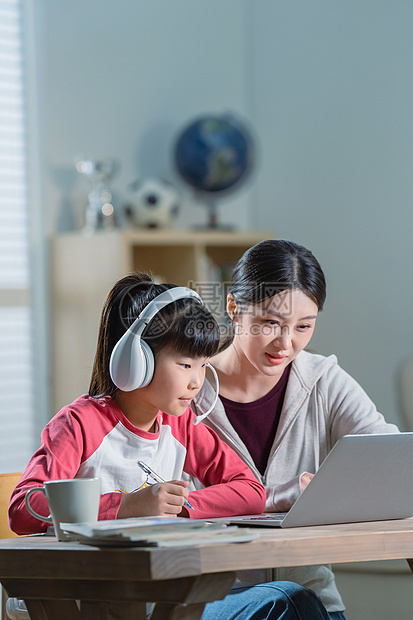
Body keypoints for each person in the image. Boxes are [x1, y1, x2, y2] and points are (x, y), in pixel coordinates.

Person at [8, 272, 330, 620]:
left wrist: (181, 505)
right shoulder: (79, 424)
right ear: (137, 362)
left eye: (204, 366)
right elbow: (24, 507)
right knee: (290, 603)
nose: (196, 382)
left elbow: (250, 489)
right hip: (91, 603)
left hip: (168, 599)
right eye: (185, 364)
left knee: (292, 598)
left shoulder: (181, 424)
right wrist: (128, 506)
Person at [192, 239, 400, 620]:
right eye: (270, 323)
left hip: (314, 604)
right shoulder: (184, 392)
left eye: (304, 326)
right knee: (286, 601)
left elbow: (389, 457)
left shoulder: (323, 381)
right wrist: (272, 498)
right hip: (214, 600)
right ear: (234, 308)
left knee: (295, 602)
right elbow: (163, 509)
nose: (286, 344)